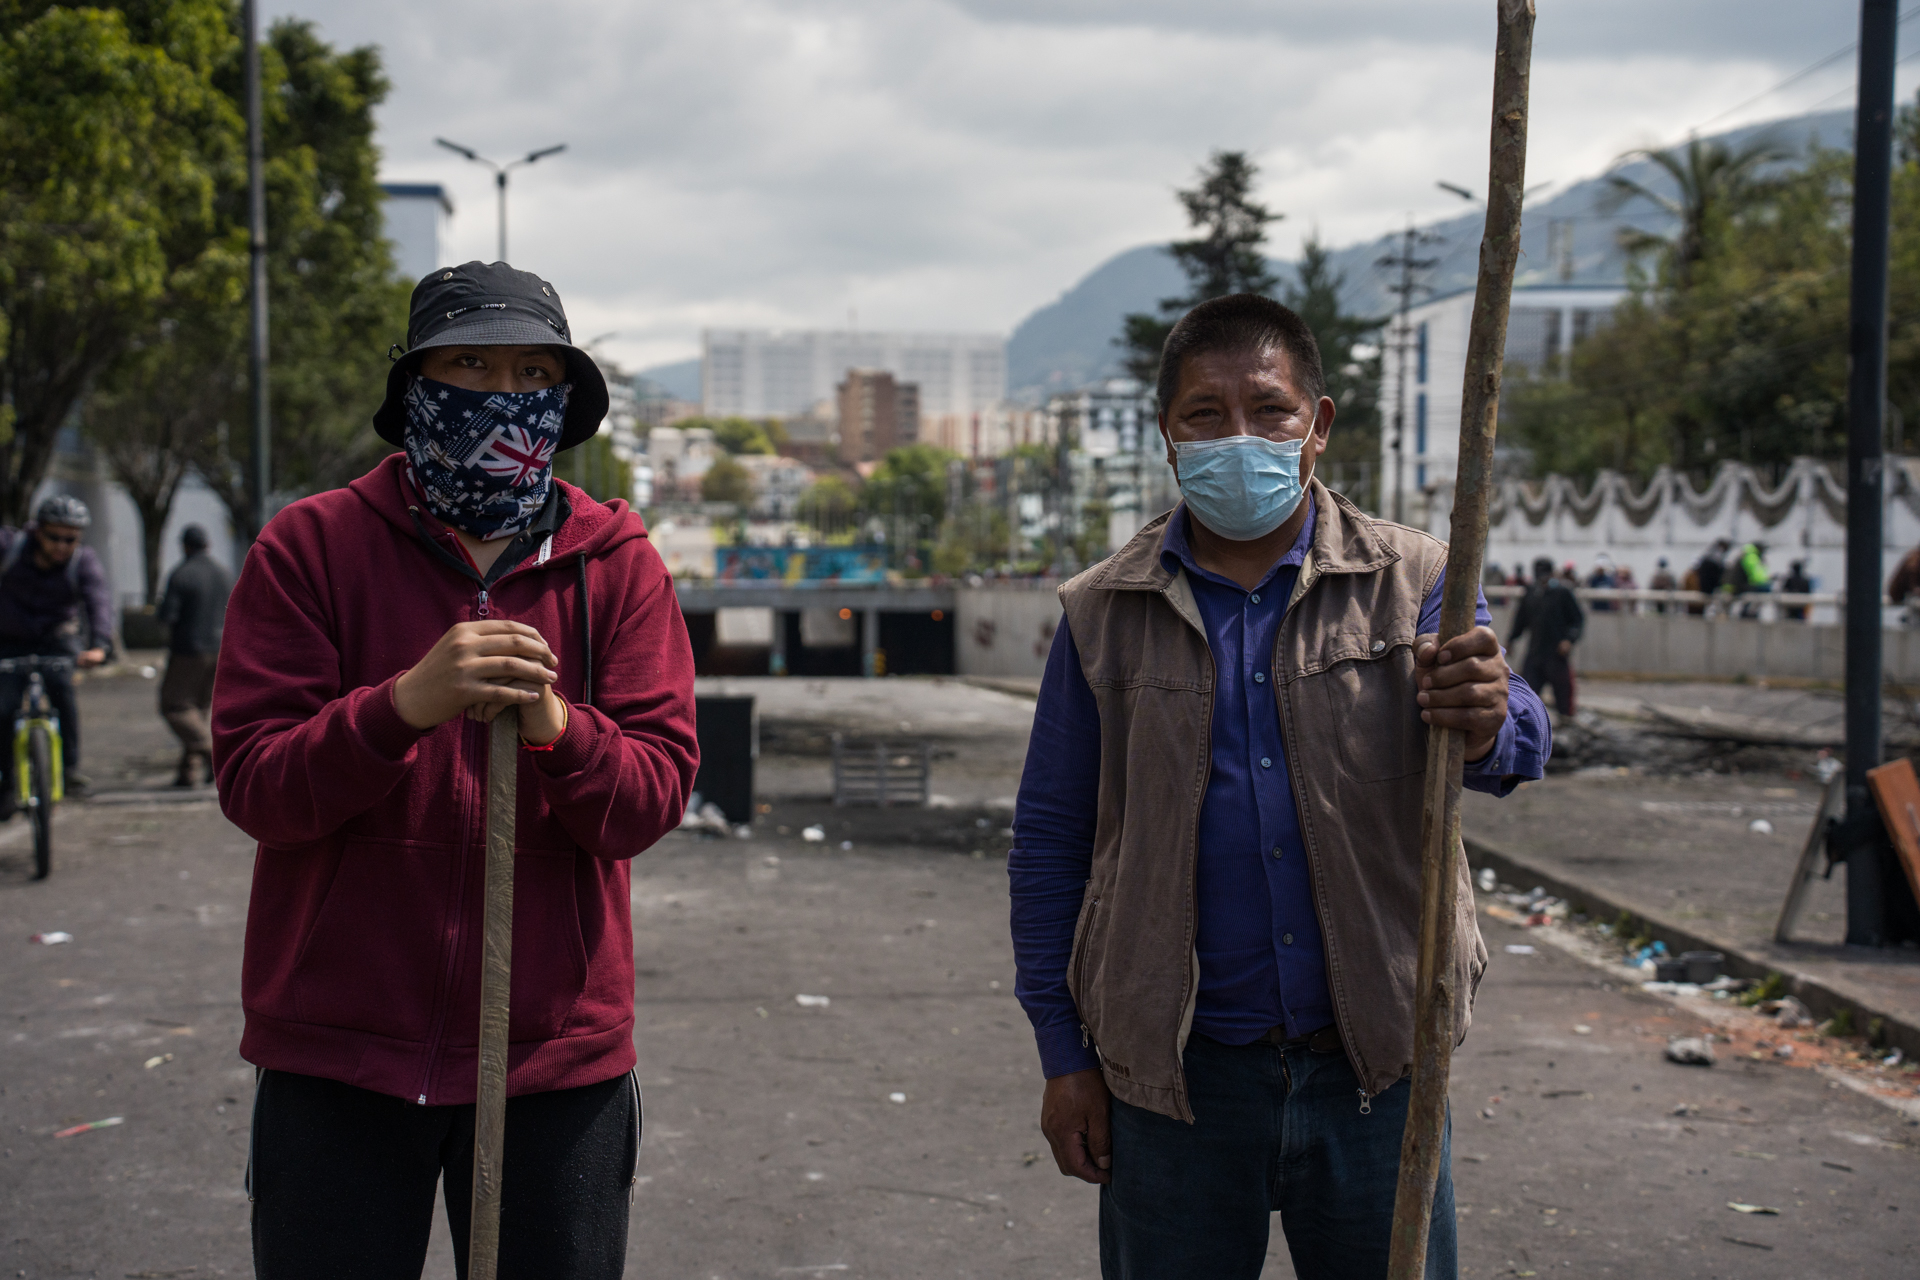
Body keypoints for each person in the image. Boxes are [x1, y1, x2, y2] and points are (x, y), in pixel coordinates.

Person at [1008, 294, 1550, 1280]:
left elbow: (1510, 739)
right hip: (1172, 1079)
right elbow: (1050, 838)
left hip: (1377, 1067)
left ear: (1319, 425)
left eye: (1269, 409)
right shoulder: (1100, 611)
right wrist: (1063, 1050)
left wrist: (1488, 716)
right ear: (1168, 435)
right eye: (1206, 415)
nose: (1239, 437)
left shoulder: (1416, 573)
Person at [212, 262, 700, 1278]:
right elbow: (257, 784)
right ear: (415, 385)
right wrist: (401, 706)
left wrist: (557, 727)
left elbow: (649, 797)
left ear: (564, 401)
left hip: (556, 1065)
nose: (498, 391)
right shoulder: (309, 547)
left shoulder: (619, 562)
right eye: (468, 362)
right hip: (336, 1053)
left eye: (530, 368)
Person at [0, 494, 113, 806]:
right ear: (38, 530)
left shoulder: (83, 561)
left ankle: (69, 770)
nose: (62, 546)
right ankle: (6, 782)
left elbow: (98, 602)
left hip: (56, 637)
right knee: (4, 706)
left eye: (70, 539)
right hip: (9, 637)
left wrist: (100, 646)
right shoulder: (10, 548)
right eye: (54, 537)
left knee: (63, 694)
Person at [155, 525, 230, 787]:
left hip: (189, 650)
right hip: (221, 648)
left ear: (185, 546)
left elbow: (168, 616)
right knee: (197, 709)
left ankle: (213, 753)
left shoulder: (181, 574)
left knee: (175, 707)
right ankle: (188, 773)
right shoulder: (223, 573)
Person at [1509, 555, 1585, 716]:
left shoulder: (1563, 592)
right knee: (1527, 692)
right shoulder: (1531, 593)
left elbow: (1577, 620)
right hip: (1535, 651)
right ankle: (1527, 725)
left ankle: (1566, 721)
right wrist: (1511, 640)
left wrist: (1569, 640)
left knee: (1563, 691)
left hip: (1556, 652)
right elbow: (1520, 620)